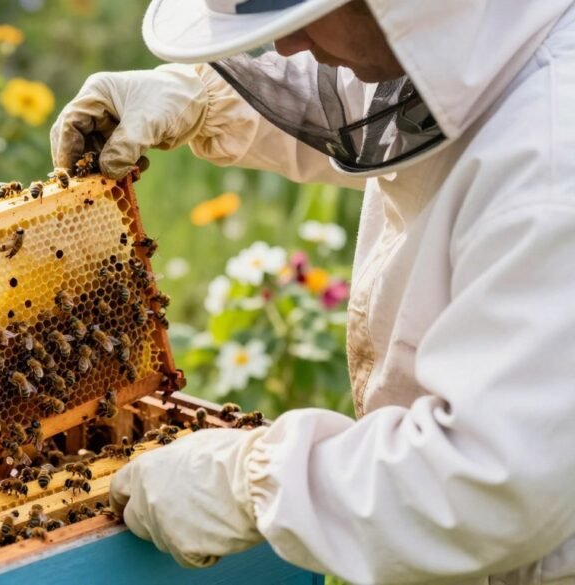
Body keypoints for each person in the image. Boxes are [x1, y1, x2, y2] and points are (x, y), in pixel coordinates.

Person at [50, 0, 575, 583]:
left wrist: (251, 487)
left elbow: (491, 485)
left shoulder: (551, 164)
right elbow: (389, 99)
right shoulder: (474, 31)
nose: (285, 45)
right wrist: (202, 101)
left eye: (304, 12)